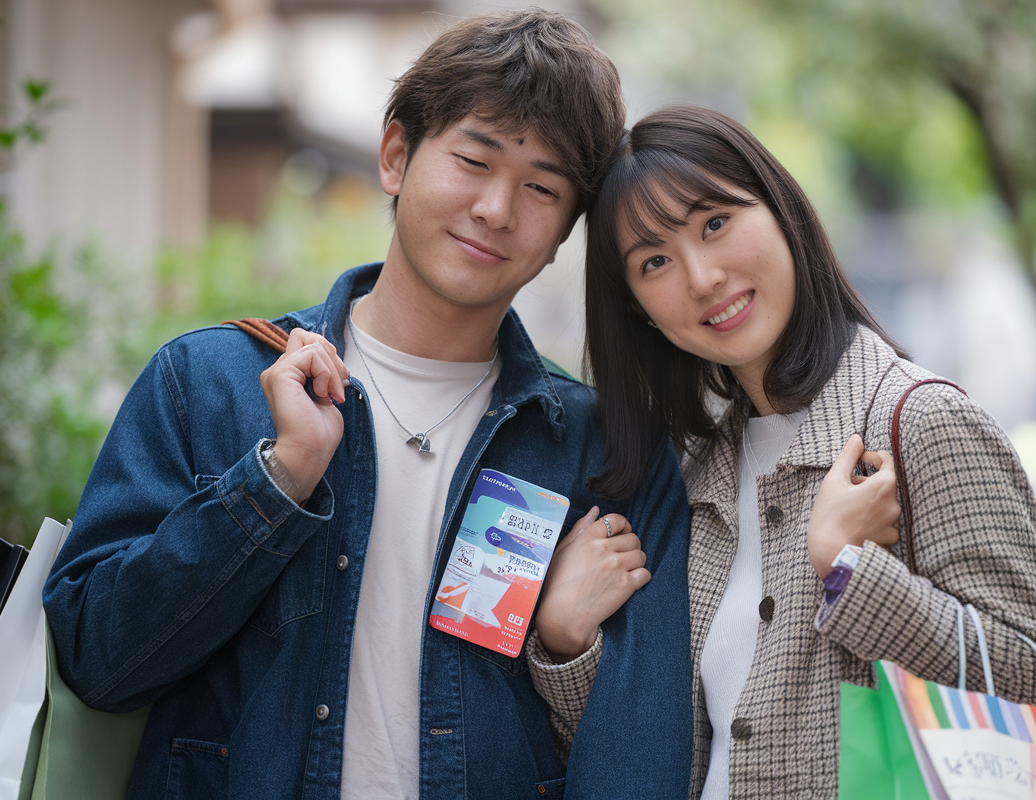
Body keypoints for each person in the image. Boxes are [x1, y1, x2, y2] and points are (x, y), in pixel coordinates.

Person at [42, 11, 695, 799]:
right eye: (472, 160)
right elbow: (98, 664)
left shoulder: (596, 451)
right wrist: (276, 483)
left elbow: (641, 751)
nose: (496, 208)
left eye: (542, 188)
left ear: (564, 231)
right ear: (396, 156)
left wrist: (562, 645)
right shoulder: (207, 384)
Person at [532, 104, 1036, 799]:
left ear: (781, 208)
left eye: (716, 223)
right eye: (656, 261)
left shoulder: (921, 423)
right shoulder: (693, 472)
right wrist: (565, 642)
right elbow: (663, 750)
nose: (701, 277)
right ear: (637, 305)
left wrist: (851, 574)